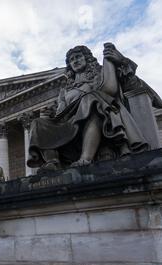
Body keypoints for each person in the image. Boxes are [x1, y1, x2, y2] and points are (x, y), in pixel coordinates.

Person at [27, 43, 157, 171]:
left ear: (87, 58)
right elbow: (60, 114)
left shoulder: (101, 72)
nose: (75, 61)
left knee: (90, 101)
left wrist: (121, 60)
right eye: (72, 60)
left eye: (78, 57)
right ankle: (53, 161)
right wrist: (48, 115)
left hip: (101, 115)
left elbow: (128, 80)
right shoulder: (66, 89)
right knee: (37, 122)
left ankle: (86, 158)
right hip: (70, 124)